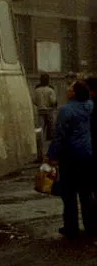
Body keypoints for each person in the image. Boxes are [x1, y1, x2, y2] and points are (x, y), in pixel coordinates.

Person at [47, 80, 95, 238]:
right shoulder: (89, 106)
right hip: (87, 155)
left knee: (69, 195)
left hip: (70, 156)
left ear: (74, 93)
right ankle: (91, 228)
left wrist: (52, 156)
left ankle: (71, 227)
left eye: (69, 89)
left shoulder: (66, 110)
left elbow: (59, 136)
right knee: (86, 194)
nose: (67, 91)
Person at [33, 73, 58, 141]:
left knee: (40, 128)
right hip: (49, 111)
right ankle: (49, 141)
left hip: (40, 111)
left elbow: (34, 101)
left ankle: (40, 142)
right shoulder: (50, 90)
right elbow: (53, 101)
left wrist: (40, 104)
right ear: (48, 80)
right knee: (51, 128)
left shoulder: (36, 90)